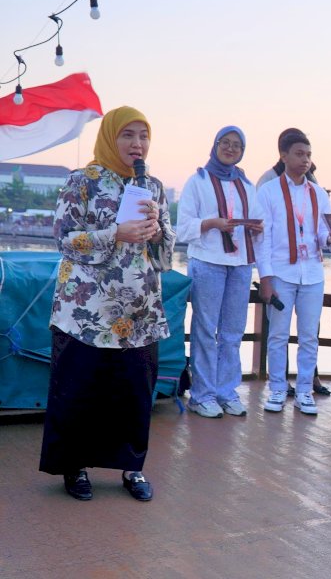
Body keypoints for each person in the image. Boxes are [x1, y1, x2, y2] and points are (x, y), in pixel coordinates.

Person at [39, 106, 175, 502]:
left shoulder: (155, 186)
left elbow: (165, 256)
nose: (137, 144)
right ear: (111, 137)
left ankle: (132, 467)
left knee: (133, 392)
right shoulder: (82, 181)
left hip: (139, 311)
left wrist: (155, 232)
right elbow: (64, 238)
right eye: (128, 135)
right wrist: (116, 232)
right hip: (87, 311)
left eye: (143, 136)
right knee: (80, 390)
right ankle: (73, 466)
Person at [177, 126, 266, 418]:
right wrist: (212, 223)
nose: (230, 149)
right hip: (208, 261)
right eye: (225, 143)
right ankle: (202, 395)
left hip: (240, 264)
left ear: (242, 152)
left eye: (237, 146)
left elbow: (259, 223)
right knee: (204, 328)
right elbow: (184, 227)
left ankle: (227, 391)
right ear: (215, 145)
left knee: (232, 331)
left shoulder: (246, 184)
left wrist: (257, 227)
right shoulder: (198, 181)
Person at [257, 131, 331, 415]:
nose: (305, 160)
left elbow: (320, 234)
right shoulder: (268, 192)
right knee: (278, 335)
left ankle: (305, 390)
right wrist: (266, 278)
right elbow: (263, 238)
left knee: (309, 336)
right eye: (299, 154)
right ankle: (278, 389)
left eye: (308, 154)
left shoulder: (318, 193)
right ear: (283, 156)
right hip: (281, 272)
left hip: (313, 274)